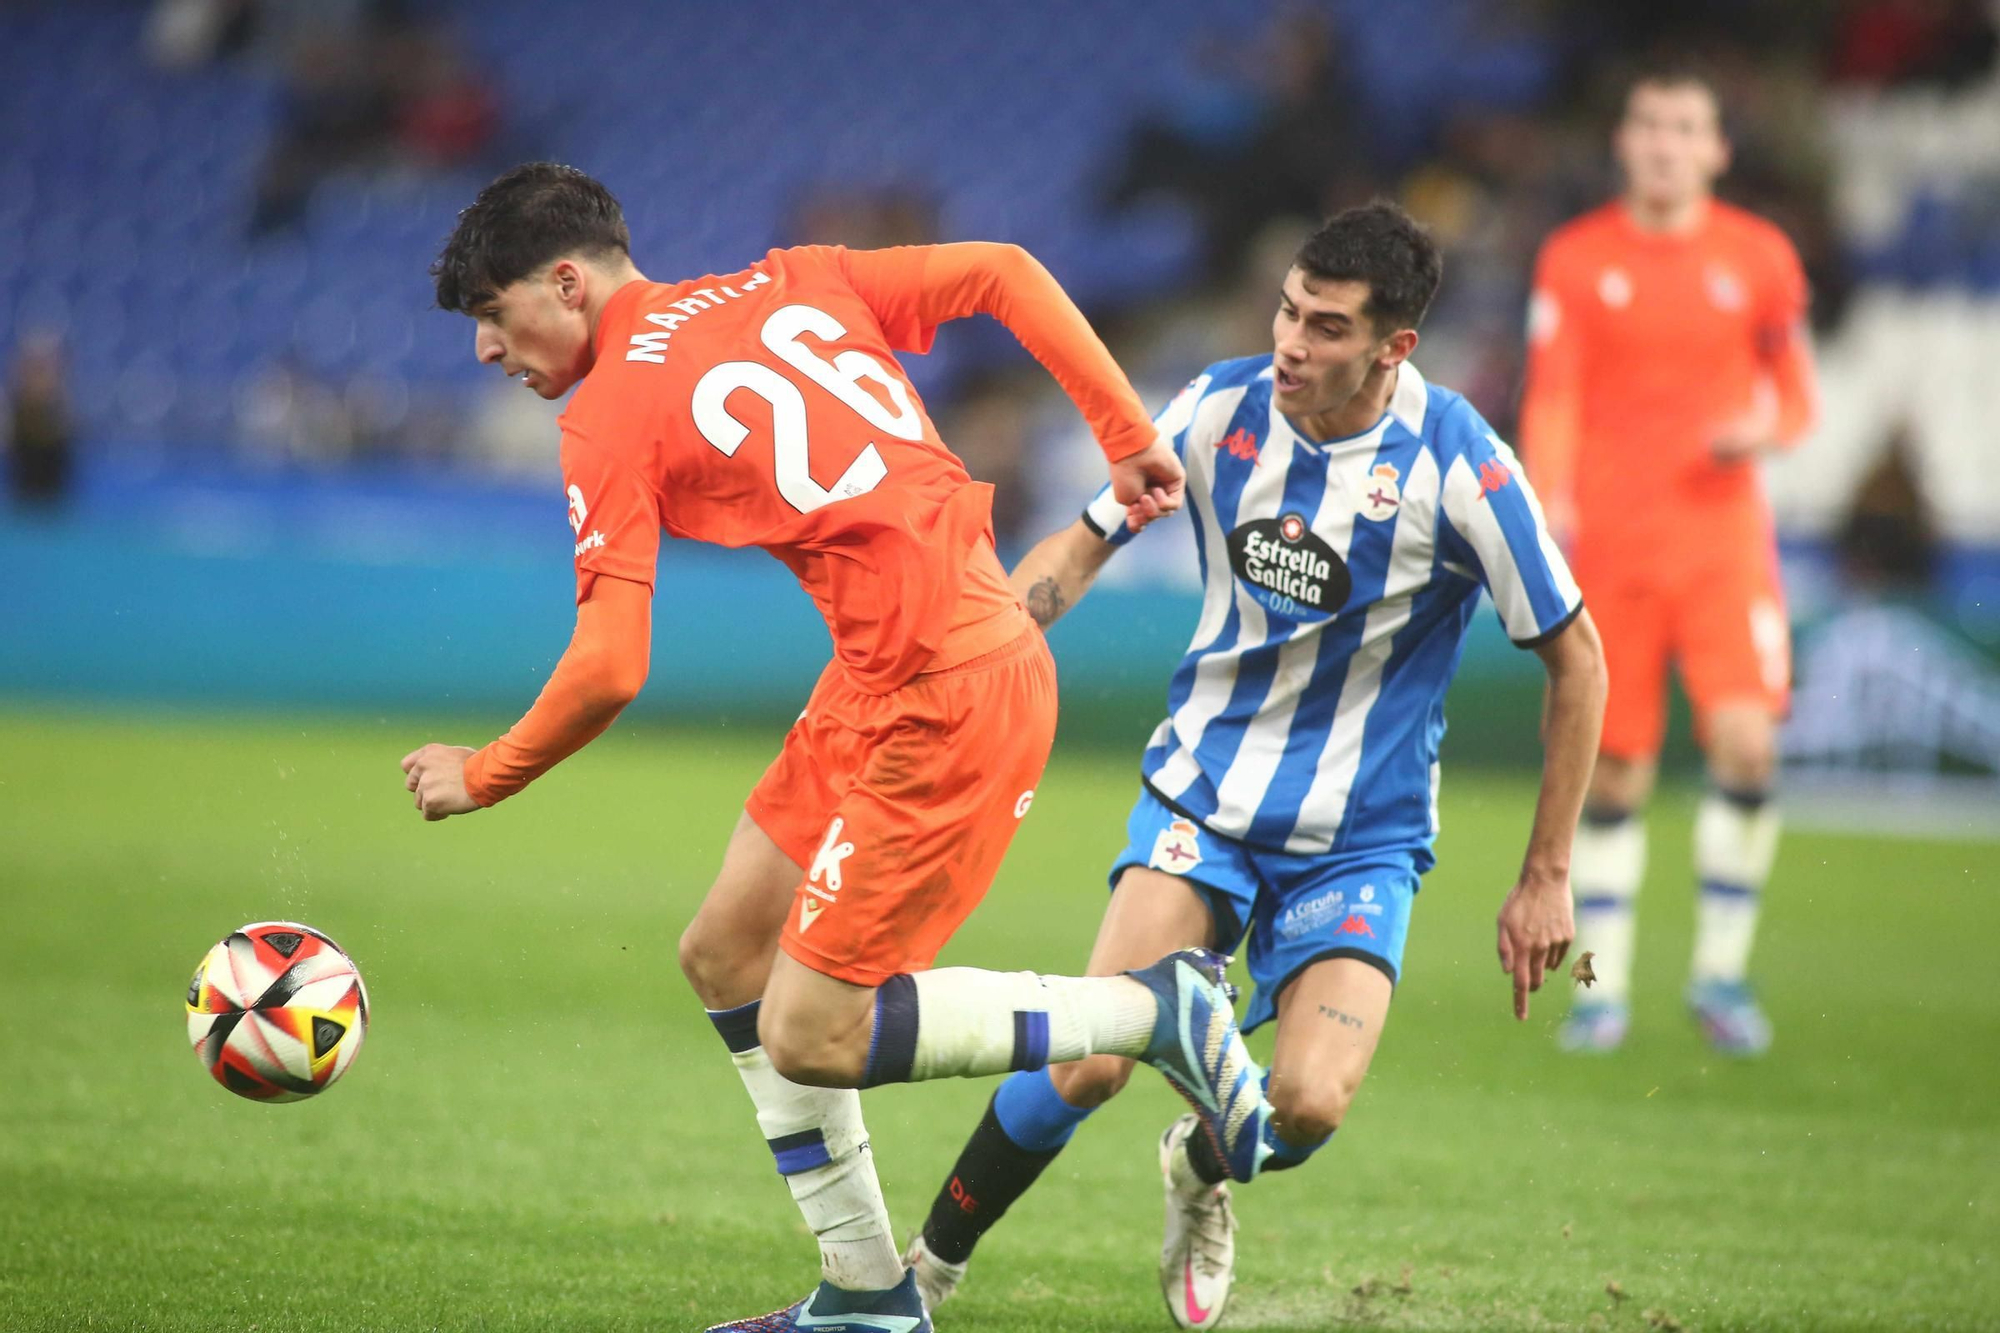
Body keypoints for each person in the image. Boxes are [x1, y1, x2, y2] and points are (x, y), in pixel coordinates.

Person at [398, 163, 1279, 1333]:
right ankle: (867, 1297)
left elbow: (611, 665)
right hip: (892, 671)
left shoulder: (605, 413)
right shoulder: (788, 282)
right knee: (724, 952)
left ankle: (1151, 1010)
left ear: (566, 282)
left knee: (809, 1032)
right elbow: (1004, 272)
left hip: (947, 692)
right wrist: (1124, 436)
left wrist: (486, 768)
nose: (485, 352)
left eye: (494, 318)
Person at [903, 202, 1606, 1329]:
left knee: (1307, 1108)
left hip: (1359, 838)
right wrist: (975, 659)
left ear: (1393, 347)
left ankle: (1198, 1166)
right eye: (1286, 309)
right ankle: (923, 1272)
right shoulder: (1216, 405)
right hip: (1206, 802)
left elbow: (1577, 660)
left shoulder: (1460, 465)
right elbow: (1083, 540)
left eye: (1326, 328)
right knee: (1088, 1060)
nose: (1290, 341)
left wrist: (1545, 872)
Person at [1519, 65, 1819, 1056]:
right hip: (1609, 544)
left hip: (1721, 544)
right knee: (1612, 779)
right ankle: (1598, 988)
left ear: (1715, 150)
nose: (1661, 143)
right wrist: (1546, 497)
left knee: (1746, 746)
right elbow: (1553, 393)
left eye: (1682, 127)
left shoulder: (1758, 256)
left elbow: (1796, 396)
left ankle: (1720, 977)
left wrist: (1760, 426)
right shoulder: (1572, 257)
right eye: (1646, 124)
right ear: (1622, 139)